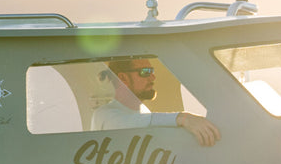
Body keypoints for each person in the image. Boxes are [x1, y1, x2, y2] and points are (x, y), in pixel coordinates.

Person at [92, 59, 221, 146]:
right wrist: (183, 118)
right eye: (145, 72)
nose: (153, 77)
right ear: (123, 78)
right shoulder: (103, 115)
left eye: (152, 71)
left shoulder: (145, 113)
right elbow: (130, 123)